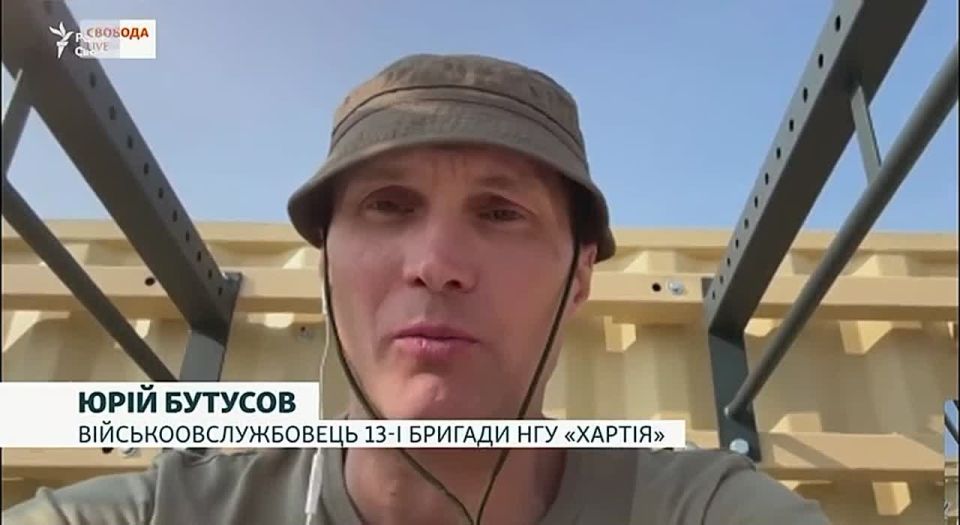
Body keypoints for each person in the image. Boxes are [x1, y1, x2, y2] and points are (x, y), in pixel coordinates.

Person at [2, 53, 831, 525]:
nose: (436, 263)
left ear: (579, 277)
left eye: (500, 212)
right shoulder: (167, 512)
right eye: (388, 205)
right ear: (326, 263)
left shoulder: (697, 511)